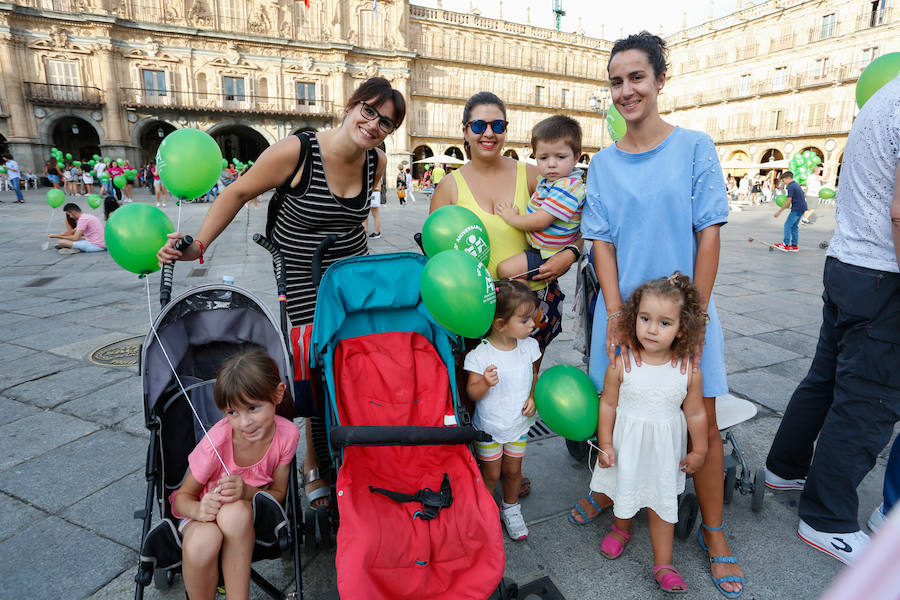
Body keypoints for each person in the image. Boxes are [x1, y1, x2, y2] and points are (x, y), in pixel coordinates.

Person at [158, 76, 404, 513]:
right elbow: (238, 192)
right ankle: (313, 458)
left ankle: (355, 447)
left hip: (350, 276)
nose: (373, 125)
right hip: (302, 277)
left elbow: (355, 223)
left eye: (385, 123)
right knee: (311, 366)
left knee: (357, 361)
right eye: (369, 111)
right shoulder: (299, 150)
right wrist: (199, 246)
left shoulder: (376, 163)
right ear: (351, 105)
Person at [572, 32, 742, 597]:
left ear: (660, 80)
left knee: (704, 422)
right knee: (619, 415)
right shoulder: (603, 165)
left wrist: (694, 320)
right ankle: (617, 498)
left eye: (637, 77)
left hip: (685, 320)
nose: (626, 91)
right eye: (616, 81)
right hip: (624, 318)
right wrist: (619, 319)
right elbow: (602, 247)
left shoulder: (695, 146)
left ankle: (715, 535)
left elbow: (709, 233)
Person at [765, 72, 900, 566]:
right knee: (869, 399)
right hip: (885, 272)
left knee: (824, 379)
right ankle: (826, 518)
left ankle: (784, 467)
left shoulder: (888, 95)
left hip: (848, 262)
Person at [431, 91, 579, 500]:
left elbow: (578, 217)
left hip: (529, 306)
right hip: (472, 312)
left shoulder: (530, 173)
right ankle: (478, 468)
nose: (489, 133)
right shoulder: (448, 185)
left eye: (498, 125)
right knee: (474, 388)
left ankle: (511, 465)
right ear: (465, 131)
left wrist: (571, 253)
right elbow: (434, 252)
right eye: (479, 125)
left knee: (519, 386)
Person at [591, 272, 708, 592]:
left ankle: (664, 562)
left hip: (663, 452)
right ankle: (620, 528)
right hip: (626, 445)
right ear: (634, 318)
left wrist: (699, 450)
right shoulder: (622, 363)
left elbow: (695, 411)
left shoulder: (687, 369)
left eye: (664, 323)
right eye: (645, 318)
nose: (652, 329)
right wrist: (604, 442)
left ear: (682, 328)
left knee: (662, 503)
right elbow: (608, 405)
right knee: (624, 489)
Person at [171, 347, 299, 600]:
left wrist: (248, 492)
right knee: (204, 539)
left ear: (277, 394)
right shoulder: (215, 443)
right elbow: (181, 498)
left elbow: (280, 494)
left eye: (253, 408)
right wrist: (198, 510)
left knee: (235, 512)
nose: (244, 422)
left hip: (247, 517)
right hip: (202, 518)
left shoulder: (287, 435)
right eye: (232, 413)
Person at [464, 280, 541, 540]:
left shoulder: (529, 347)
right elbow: (472, 392)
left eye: (533, 317)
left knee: (513, 471)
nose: (533, 324)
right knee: (491, 473)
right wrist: (484, 382)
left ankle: (511, 508)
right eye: (525, 320)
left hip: (518, 426)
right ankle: (486, 511)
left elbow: (533, 374)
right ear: (500, 324)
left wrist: (533, 396)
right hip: (490, 428)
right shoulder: (480, 356)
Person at [496, 115, 585, 280]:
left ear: (576, 156)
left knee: (504, 270)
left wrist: (511, 217)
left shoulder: (567, 187)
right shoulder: (550, 181)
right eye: (543, 158)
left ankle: (525, 300)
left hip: (547, 254)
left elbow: (541, 220)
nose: (551, 164)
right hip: (543, 248)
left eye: (560, 157)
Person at [773, 170, 806, 252]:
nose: (784, 183)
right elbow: (804, 194)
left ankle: (785, 244)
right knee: (794, 226)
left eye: (783, 180)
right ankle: (794, 246)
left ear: (788, 178)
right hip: (802, 208)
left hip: (797, 208)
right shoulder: (797, 184)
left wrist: (779, 211)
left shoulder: (791, 186)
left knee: (787, 225)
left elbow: (788, 200)